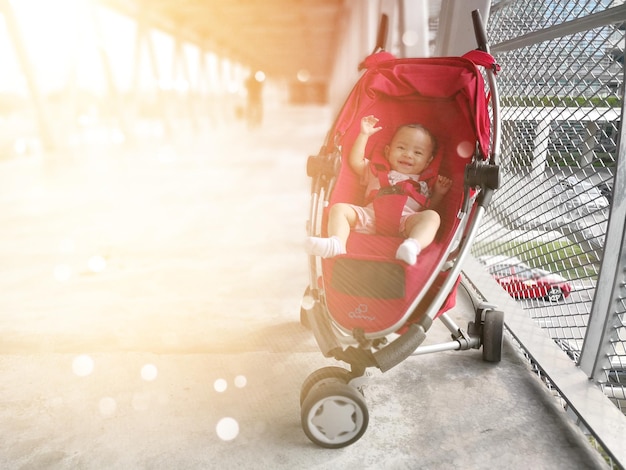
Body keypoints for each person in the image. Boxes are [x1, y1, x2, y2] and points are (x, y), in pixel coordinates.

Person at [305, 115, 452, 265]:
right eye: (401, 148)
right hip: (370, 216)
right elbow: (355, 161)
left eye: (418, 153)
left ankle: (413, 245)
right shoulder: (376, 171)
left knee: (432, 217)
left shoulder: (423, 184)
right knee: (338, 209)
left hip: (406, 221)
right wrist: (364, 135)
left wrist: (439, 193)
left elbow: (427, 207)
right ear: (388, 151)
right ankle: (336, 244)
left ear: (428, 161)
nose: (408, 154)